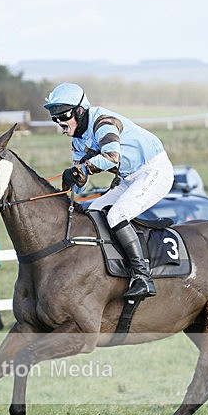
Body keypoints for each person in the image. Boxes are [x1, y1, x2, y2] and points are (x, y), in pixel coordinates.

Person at [44, 82, 174, 299]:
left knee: (117, 215)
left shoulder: (103, 121)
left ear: (80, 110)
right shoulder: (77, 140)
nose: (59, 122)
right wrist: (73, 178)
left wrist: (82, 168)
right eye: (54, 117)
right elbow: (81, 182)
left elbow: (111, 157)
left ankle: (142, 277)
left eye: (63, 115)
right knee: (94, 213)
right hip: (128, 177)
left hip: (153, 170)